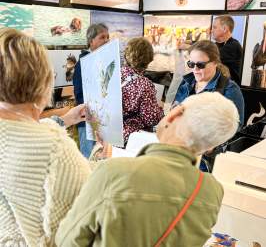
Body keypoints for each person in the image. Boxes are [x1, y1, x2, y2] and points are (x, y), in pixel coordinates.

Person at [55, 92, 240, 247]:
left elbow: (67, 240)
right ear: (210, 148)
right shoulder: (212, 191)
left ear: (174, 114)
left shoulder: (112, 172)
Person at [0, 28, 92, 246]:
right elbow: (90, 208)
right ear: (45, 81)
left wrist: (64, 120)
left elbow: (20, 135)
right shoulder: (54, 148)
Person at [174, 40, 244, 127]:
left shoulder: (229, 89)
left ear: (215, 63)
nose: (195, 69)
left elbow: (235, 127)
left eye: (200, 65)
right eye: (191, 64)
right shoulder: (186, 83)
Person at [73, 23, 109, 158]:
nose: (106, 41)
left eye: (107, 37)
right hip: (87, 122)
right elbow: (80, 95)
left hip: (102, 120)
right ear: (91, 41)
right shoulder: (82, 64)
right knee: (88, 159)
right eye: (102, 37)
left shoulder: (102, 62)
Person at [122, 37, 164, 143]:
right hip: (131, 138)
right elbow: (150, 119)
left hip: (111, 134)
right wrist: (160, 109)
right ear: (148, 59)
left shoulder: (114, 74)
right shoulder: (145, 85)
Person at [212, 15, 243, 85]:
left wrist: (188, 47)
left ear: (224, 29)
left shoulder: (233, 46)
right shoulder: (218, 45)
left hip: (229, 90)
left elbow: (207, 56)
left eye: (215, 27)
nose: (212, 30)